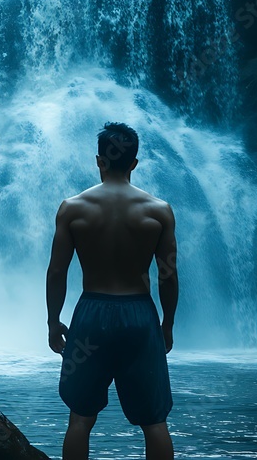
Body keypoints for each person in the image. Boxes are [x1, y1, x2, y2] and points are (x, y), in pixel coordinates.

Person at [46, 122, 178, 460]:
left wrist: (53, 322)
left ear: (99, 161)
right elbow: (167, 274)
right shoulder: (158, 211)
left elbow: (57, 271)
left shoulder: (73, 208)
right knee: (154, 421)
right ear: (134, 163)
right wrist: (167, 324)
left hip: (92, 315)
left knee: (79, 419)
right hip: (139, 314)